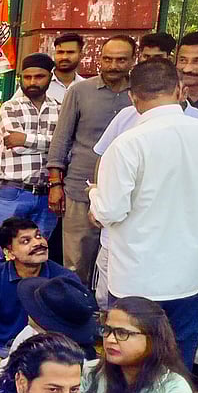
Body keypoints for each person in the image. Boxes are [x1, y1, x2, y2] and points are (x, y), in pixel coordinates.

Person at [90, 58, 198, 366]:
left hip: (134, 276)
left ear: (133, 97)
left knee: (130, 360)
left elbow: (109, 212)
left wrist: (93, 194)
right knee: (177, 362)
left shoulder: (126, 144)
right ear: (179, 90)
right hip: (187, 274)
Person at [47, 35, 137, 285]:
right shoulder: (80, 91)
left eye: (121, 60)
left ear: (133, 60)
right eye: (107, 59)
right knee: (76, 263)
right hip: (80, 190)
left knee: (118, 264)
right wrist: (55, 184)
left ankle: (111, 319)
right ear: (99, 59)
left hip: (127, 193)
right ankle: (76, 317)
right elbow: (61, 138)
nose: (113, 65)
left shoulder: (140, 94)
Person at [0, 217, 79, 379]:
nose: (37, 243)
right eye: (26, 241)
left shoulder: (65, 279)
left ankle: (7, 379)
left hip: (46, 351)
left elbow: (75, 332)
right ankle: (20, 379)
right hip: (3, 349)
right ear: (9, 252)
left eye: (38, 236)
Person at [0, 52, 61, 273]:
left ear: (50, 77)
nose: (32, 82)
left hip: (48, 193)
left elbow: (64, 147)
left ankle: (29, 301)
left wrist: (26, 139)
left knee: (38, 252)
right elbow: (15, 145)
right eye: (27, 77)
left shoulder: (60, 108)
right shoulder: (10, 107)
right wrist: (51, 144)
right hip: (14, 191)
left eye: (39, 77)